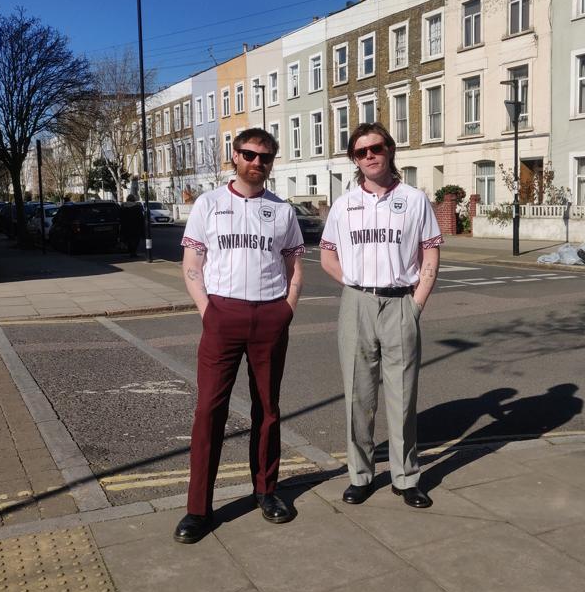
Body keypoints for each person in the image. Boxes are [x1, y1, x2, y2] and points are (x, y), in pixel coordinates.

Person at [174, 127, 305, 544]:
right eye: (249, 154)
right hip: (222, 313)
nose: (257, 162)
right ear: (235, 156)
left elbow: (294, 266)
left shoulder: (281, 210)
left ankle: (267, 491)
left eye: (265, 157)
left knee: (267, 409)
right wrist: (207, 310)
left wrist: (286, 309)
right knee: (209, 410)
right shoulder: (209, 204)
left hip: (269, 314)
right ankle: (198, 509)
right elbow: (192, 262)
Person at [320, 122, 441, 508]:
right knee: (359, 395)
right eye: (360, 152)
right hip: (357, 304)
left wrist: (416, 303)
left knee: (402, 397)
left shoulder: (414, 199)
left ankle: (406, 478)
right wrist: (355, 284)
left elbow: (430, 253)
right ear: (354, 160)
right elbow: (327, 256)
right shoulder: (343, 204)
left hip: (401, 302)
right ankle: (361, 475)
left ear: (389, 150)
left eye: (375, 148)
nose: (369, 156)